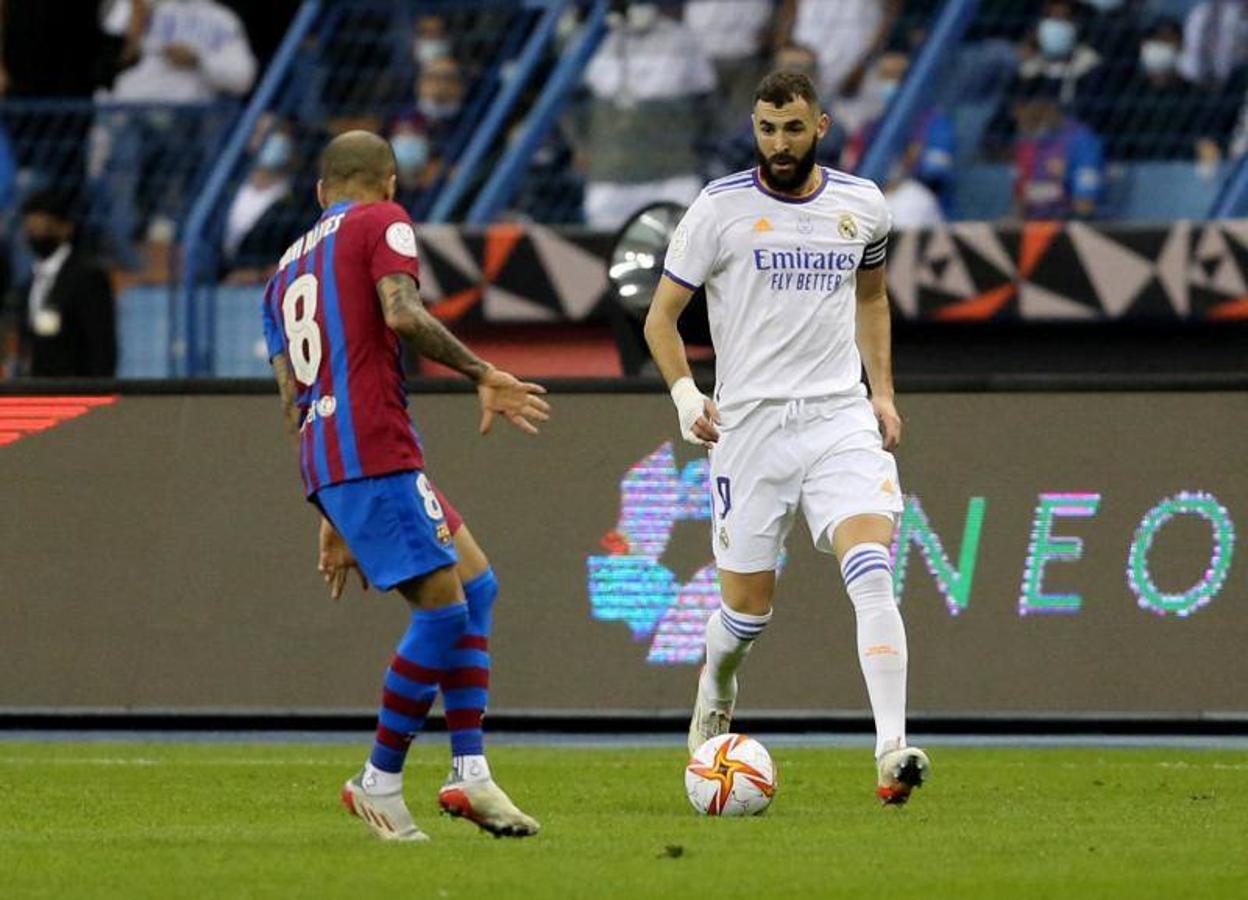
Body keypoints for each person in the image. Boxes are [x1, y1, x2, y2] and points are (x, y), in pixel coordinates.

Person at [644, 71, 930, 805]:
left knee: (870, 567)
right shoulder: (719, 209)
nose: (778, 144)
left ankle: (892, 751)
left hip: (839, 417)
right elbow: (661, 318)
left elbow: (872, 299)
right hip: (750, 429)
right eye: (767, 130)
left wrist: (883, 394)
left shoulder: (863, 206)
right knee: (745, 617)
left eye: (792, 129)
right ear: (754, 128)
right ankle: (717, 680)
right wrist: (684, 394)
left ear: (821, 126)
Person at [261, 131, 550, 842]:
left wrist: (329, 506)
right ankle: (379, 781)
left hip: (337, 457)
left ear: (320, 192)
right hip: (373, 448)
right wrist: (485, 373)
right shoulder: (382, 222)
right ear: (389, 182)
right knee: (446, 615)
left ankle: (470, 773)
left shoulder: (280, 272)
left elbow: (292, 398)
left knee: (476, 586)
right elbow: (401, 311)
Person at [2, 190, 116, 378]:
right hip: (38, 392)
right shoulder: (31, 281)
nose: (33, 233)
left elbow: (102, 346)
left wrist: (99, 394)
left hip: (75, 392)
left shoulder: (87, 277)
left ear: (64, 228)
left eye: (41, 226)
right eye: (29, 227)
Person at [1013, 78, 1104, 219]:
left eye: (1033, 116)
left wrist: (1067, 174)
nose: (1025, 122)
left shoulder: (1081, 140)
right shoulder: (1026, 142)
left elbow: (1085, 204)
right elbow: (1020, 194)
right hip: (1032, 221)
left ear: (1049, 109)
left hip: (1067, 220)